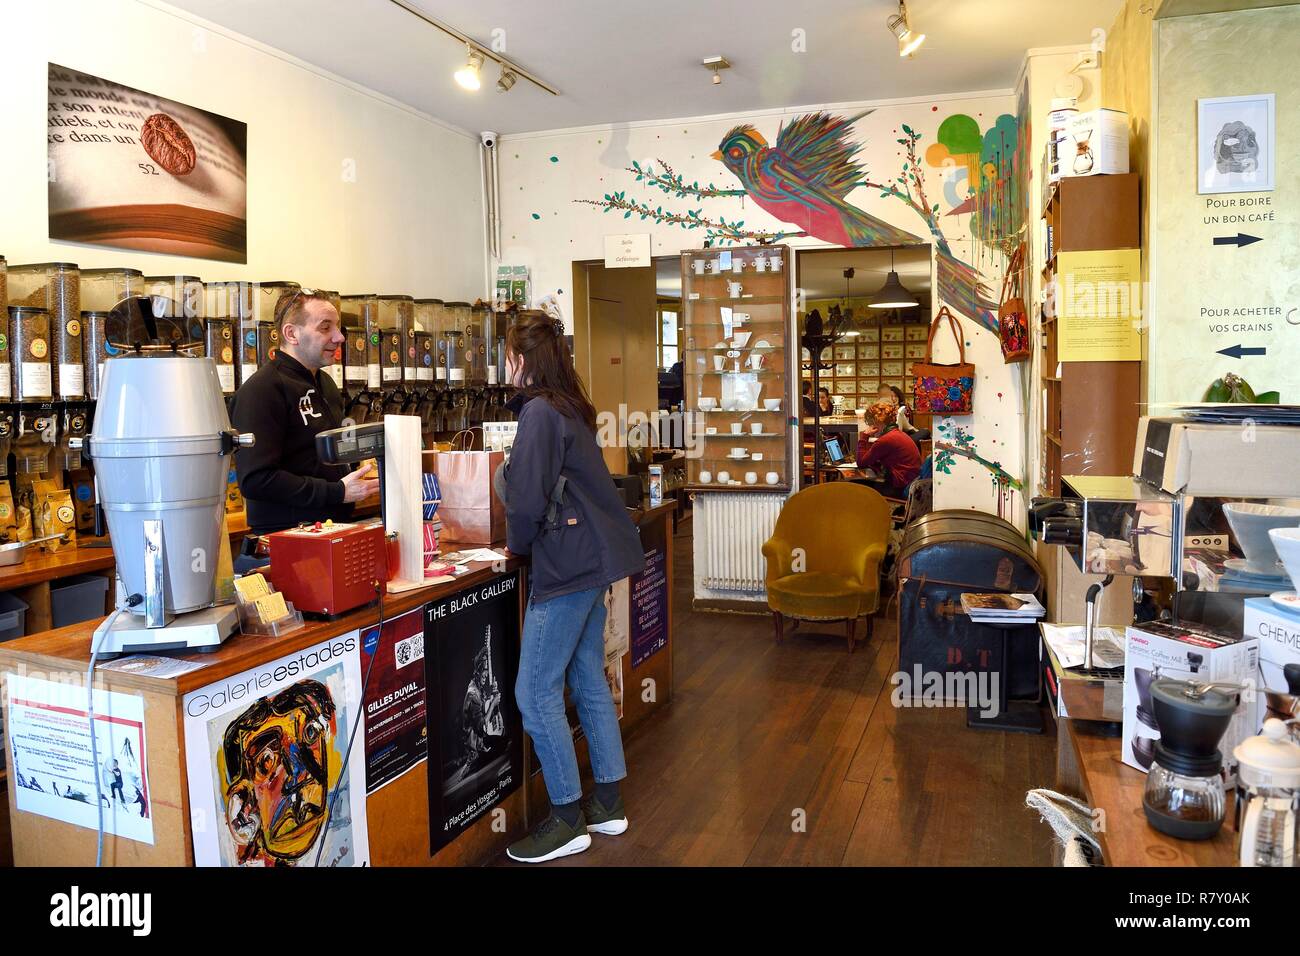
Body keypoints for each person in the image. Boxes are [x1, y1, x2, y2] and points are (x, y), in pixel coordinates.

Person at [498, 310, 646, 864]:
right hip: (595, 561)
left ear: (522, 359)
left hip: (567, 568)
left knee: (534, 694)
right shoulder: (568, 407)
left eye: (507, 353)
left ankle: (565, 819)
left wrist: (515, 547)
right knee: (585, 676)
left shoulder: (537, 412)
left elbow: (527, 502)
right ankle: (607, 802)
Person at [230, 289, 379, 546]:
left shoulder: (327, 384)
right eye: (325, 328)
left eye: (338, 327)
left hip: (332, 530)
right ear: (291, 334)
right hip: (287, 539)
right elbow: (256, 480)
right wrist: (337, 492)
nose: (340, 337)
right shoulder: (261, 390)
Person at [856, 401, 921, 499]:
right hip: (910, 482)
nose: (869, 426)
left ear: (877, 422)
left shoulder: (886, 440)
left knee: (857, 485)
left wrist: (863, 437)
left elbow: (861, 462)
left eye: (870, 423)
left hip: (899, 486)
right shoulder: (898, 434)